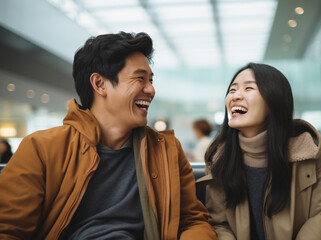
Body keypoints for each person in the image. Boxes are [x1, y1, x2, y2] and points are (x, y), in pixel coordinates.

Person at [0, 32, 216, 240]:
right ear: (99, 84)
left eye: (151, 80)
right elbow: (8, 229)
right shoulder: (41, 148)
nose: (151, 90)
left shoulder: (166, 150)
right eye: (140, 78)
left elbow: (192, 221)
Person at [198, 63, 321, 239]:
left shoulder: (309, 148)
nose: (235, 96)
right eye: (232, 90)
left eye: (249, 88)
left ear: (273, 102)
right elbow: (219, 223)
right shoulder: (218, 158)